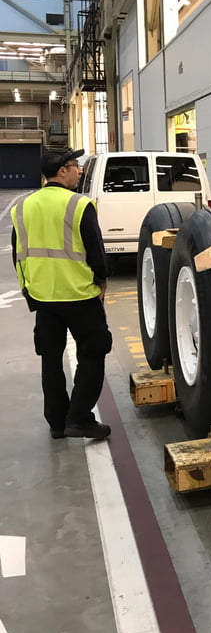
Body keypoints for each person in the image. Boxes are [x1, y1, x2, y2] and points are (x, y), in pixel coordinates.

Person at [11, 148, 112, 440]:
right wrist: (101, 283)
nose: (79, 170)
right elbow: (96, 252)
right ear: (62, 171)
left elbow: (18, 255)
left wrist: (28, 290)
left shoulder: (23, 207)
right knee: (94, 353)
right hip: (79, 295)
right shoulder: (79, 205)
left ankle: (57, 422)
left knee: (51, 359)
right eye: (75, 166)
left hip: (43, 298)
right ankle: (79, 418)